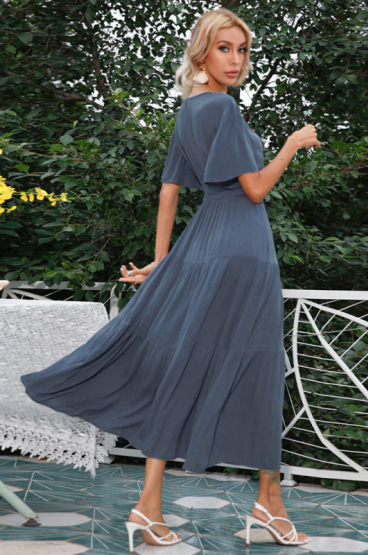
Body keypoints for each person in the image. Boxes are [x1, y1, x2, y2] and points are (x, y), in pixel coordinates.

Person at [21, 7, 320, 551]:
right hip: (243, 249)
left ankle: (151, 504)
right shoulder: (222, 110)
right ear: (202, 51)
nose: (236, 60)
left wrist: (164, 261)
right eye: (225, 48)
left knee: (186, 365)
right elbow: (255, 190)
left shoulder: (190, 110)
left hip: (205, 244)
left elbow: (169, 191)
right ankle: (267, 502)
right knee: (256, 368)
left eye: (243, 50)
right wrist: (292, 144)